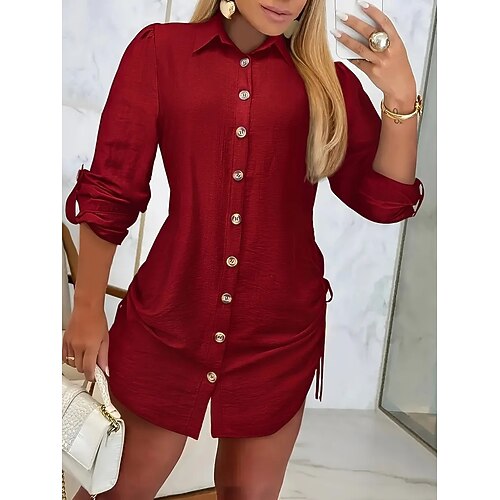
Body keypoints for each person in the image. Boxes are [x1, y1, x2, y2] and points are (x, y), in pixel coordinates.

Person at [63, 0, 425, 498]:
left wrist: (401, 99)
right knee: (119, 491)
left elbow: (383, 202)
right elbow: (112, 191)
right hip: (170, 320)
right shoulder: (160, 53)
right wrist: (86, 310)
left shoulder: (329, 84)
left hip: (279, 335)